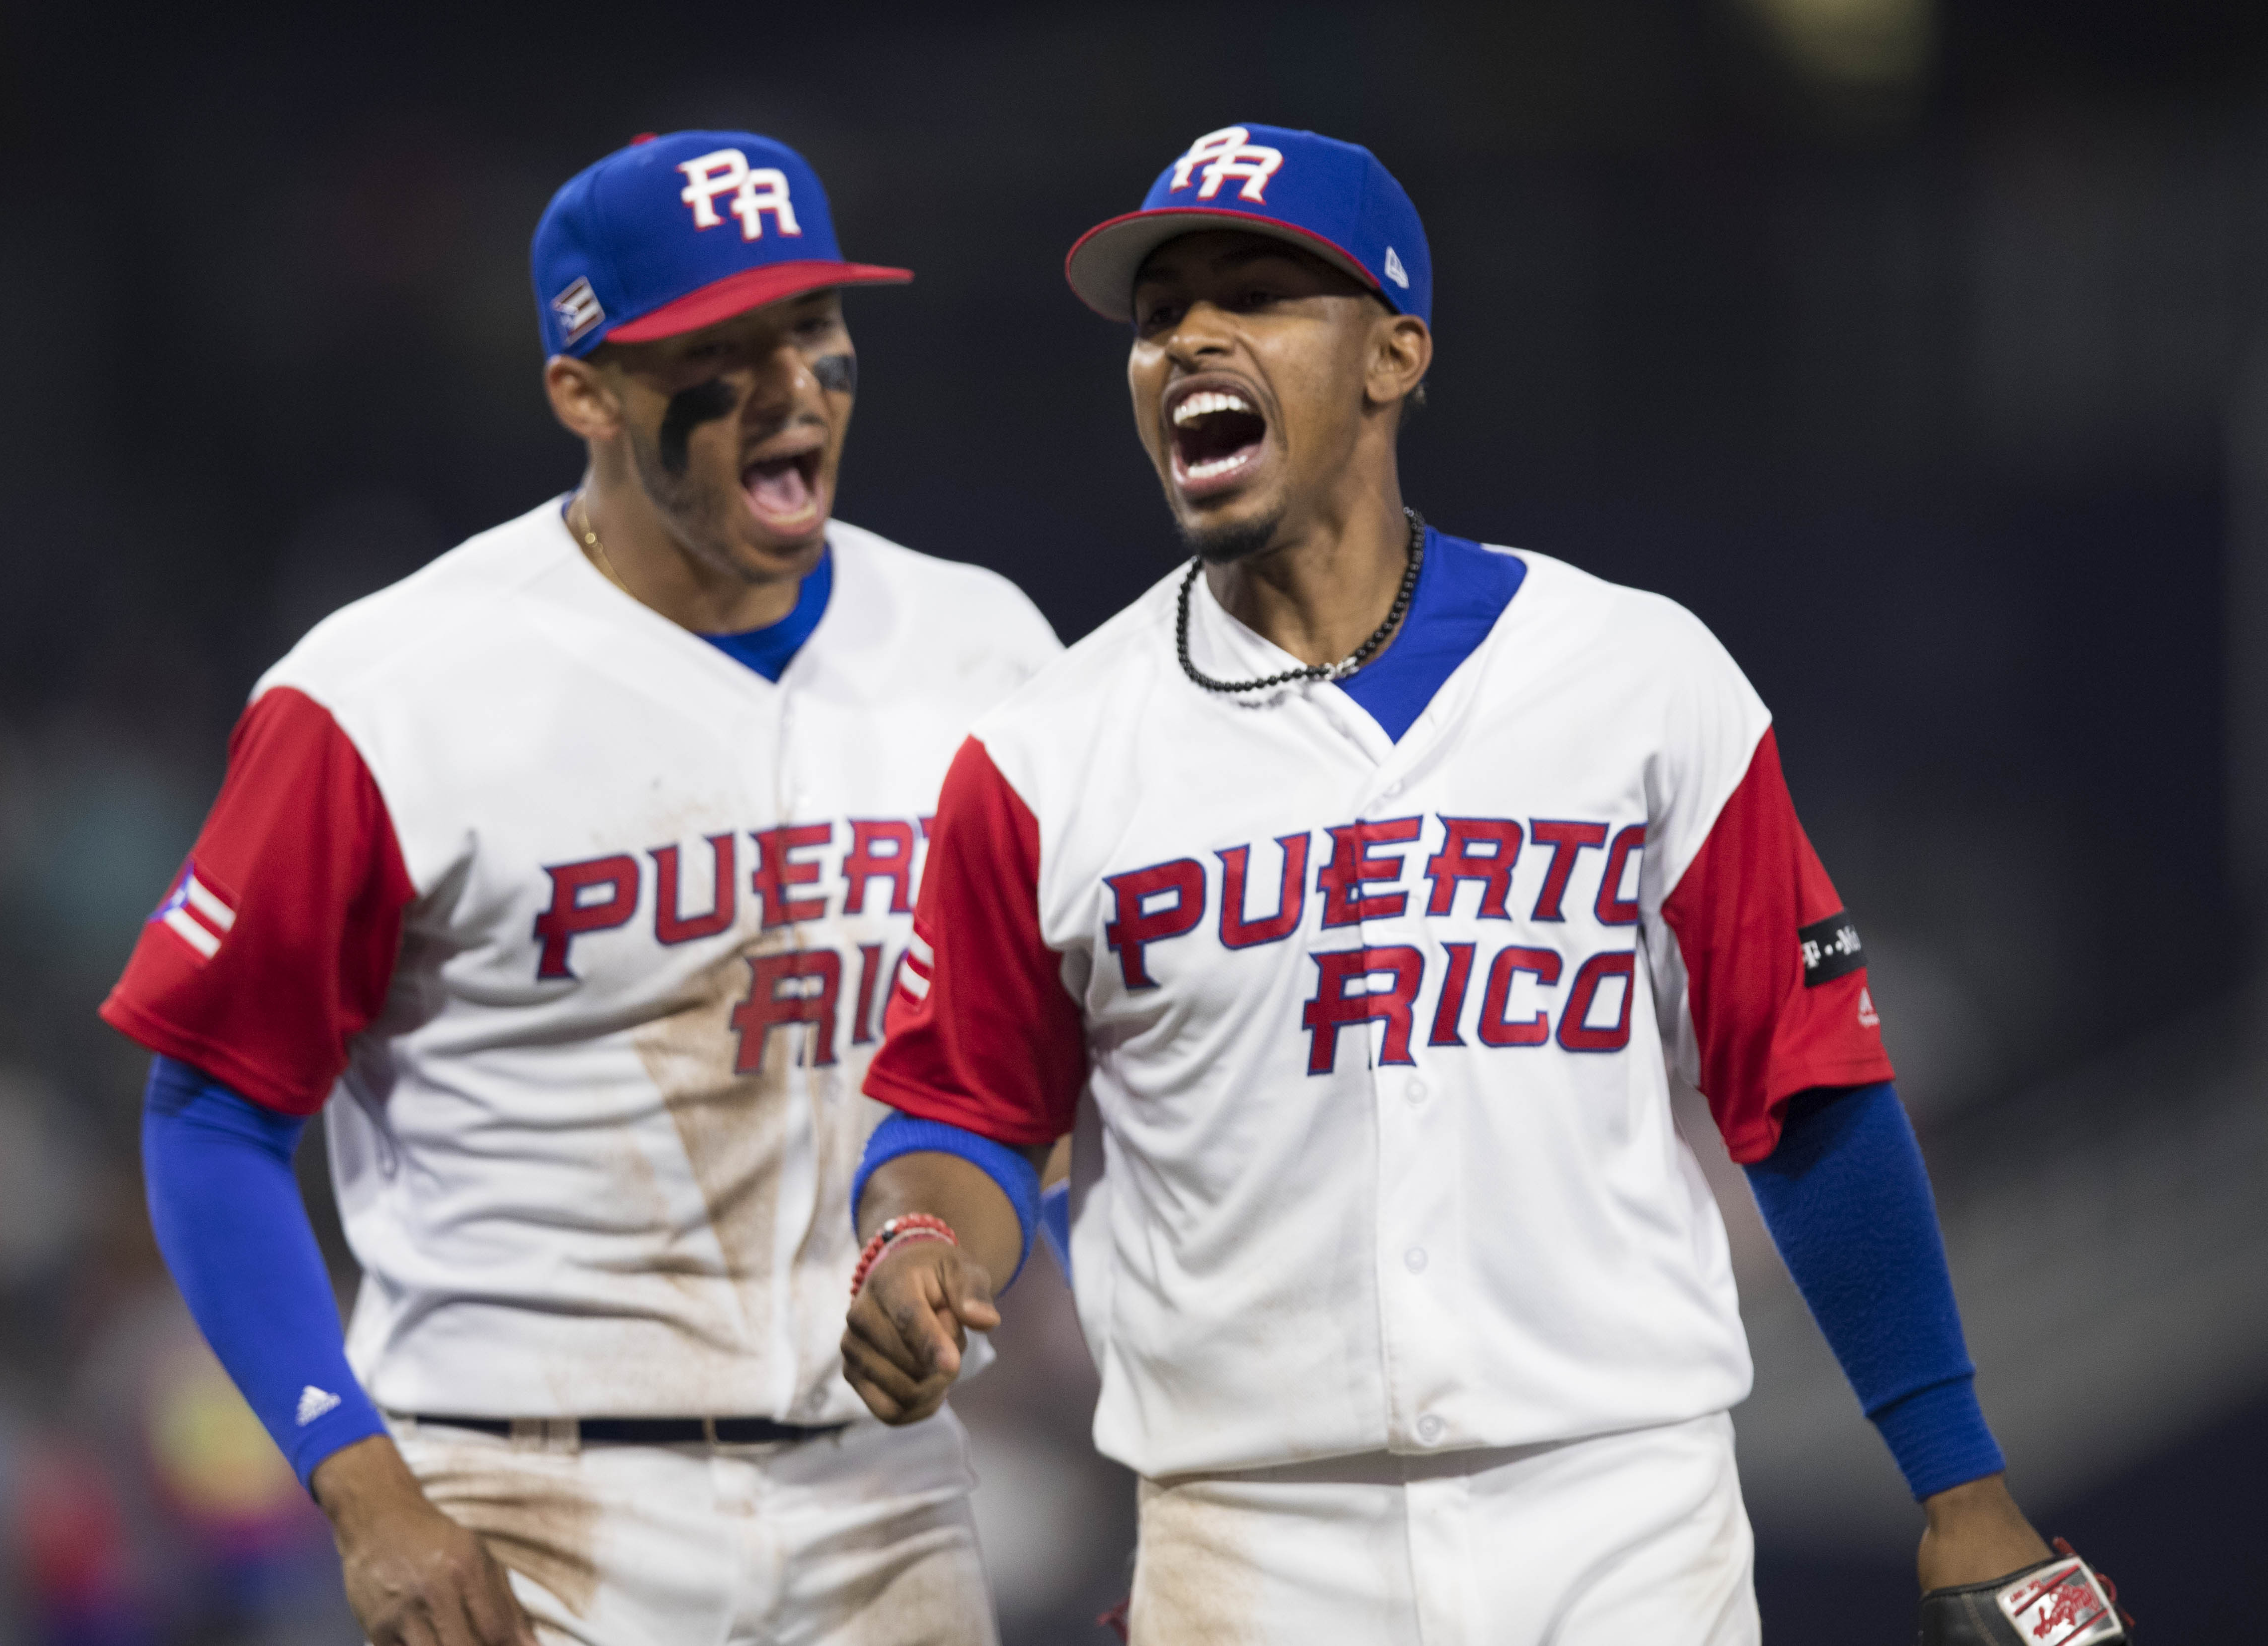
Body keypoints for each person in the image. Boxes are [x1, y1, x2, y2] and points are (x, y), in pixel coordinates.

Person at [838, 124, 2128, 1645]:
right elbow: (966, 1113)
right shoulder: (1050, 753)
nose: (1189, 334)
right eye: (1158, 311)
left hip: (1624, 1522)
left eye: (1253, 292)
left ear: (1393, 355)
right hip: (1254, 1547)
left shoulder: (1637, 679)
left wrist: (1958, 1480)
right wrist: (918, 1240)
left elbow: (1814, 1095)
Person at [102, 129, 1058, 1646]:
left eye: (815, 328)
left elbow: (1033, 1077)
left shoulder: (985, 650)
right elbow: (212, 1116)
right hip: (522, 1503)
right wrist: (363, 1490)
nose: (792, 385)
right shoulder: (386, 692)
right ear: (585, 389)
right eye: (720, 352)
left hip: (891, 1502)